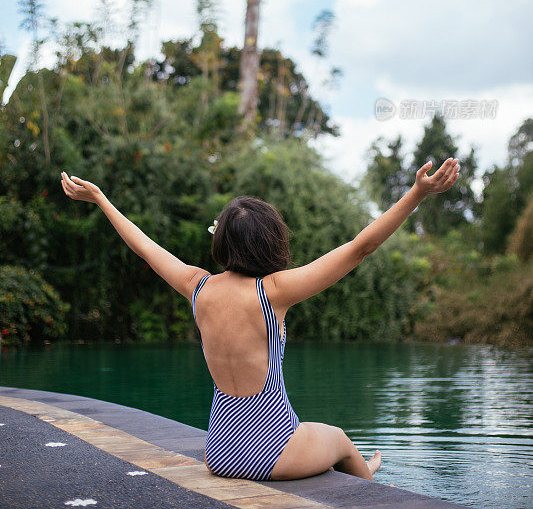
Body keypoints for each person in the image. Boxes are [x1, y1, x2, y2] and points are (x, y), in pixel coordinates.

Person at [60, 156, 460, 483]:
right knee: (339, 438)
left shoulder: (197, 287)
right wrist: (417, 193)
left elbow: (145, 248)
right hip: (273, 452)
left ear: (221, 241)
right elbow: (360, 248)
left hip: (218, 453)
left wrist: (101, 200)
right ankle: (364, 479)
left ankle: (357, 468)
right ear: (271, 241)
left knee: (334, 444)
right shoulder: (274, 292)